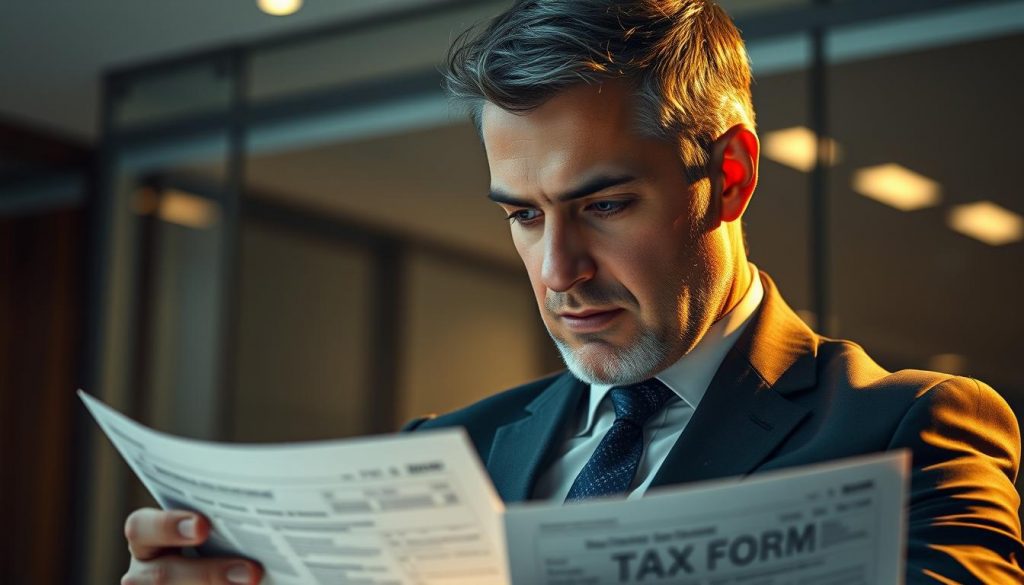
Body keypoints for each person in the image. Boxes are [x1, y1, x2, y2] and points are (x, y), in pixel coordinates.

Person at [120, 1, 1023, 583]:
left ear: (732, 177)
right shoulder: (445, 453)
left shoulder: (913, 430)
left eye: (604, 204)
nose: (558, 271)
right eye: (521, 216)